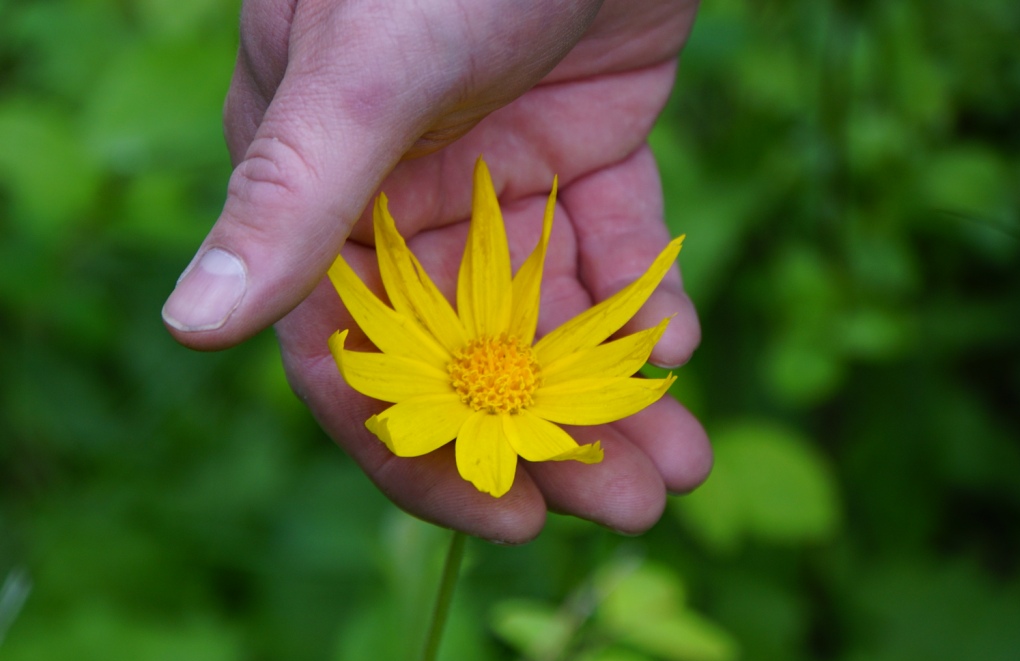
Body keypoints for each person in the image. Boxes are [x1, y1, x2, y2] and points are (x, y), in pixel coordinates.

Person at [161, 0, 712, 543]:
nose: (499, 366)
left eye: (498, 369)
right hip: (436, 369)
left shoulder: (519, 387)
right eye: (499, 369)